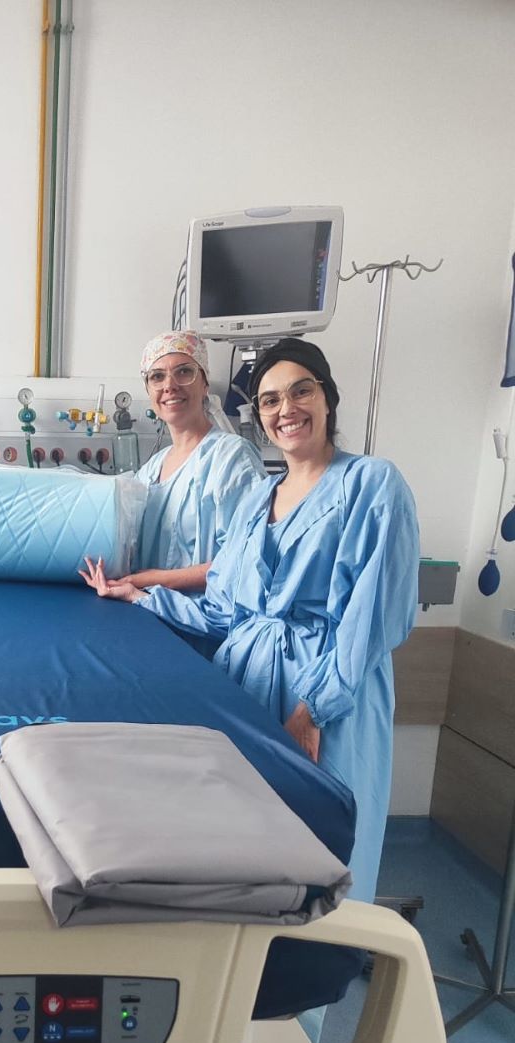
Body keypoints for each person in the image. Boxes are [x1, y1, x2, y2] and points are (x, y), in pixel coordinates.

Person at [80, 338, 419, 907]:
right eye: (269, 400)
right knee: (245, 847)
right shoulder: (260, 498)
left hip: (328, 692)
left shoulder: (371, 485)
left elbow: (371, 619)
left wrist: (311, 712)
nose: (286, 409)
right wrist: (139, 595)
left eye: (301, 391)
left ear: (328, 398)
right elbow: (224, 611)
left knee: (324, 846)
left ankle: (323, 962)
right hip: (246, 683)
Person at [110, 331, 264, 595]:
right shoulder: (151, 470)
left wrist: (157, 580)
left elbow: (247, 559)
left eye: (184, 372)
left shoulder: (232, 458)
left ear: (205, 384)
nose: (169, 385)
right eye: (157, 376)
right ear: (148, 390)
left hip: (206, 616)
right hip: (146, 607)